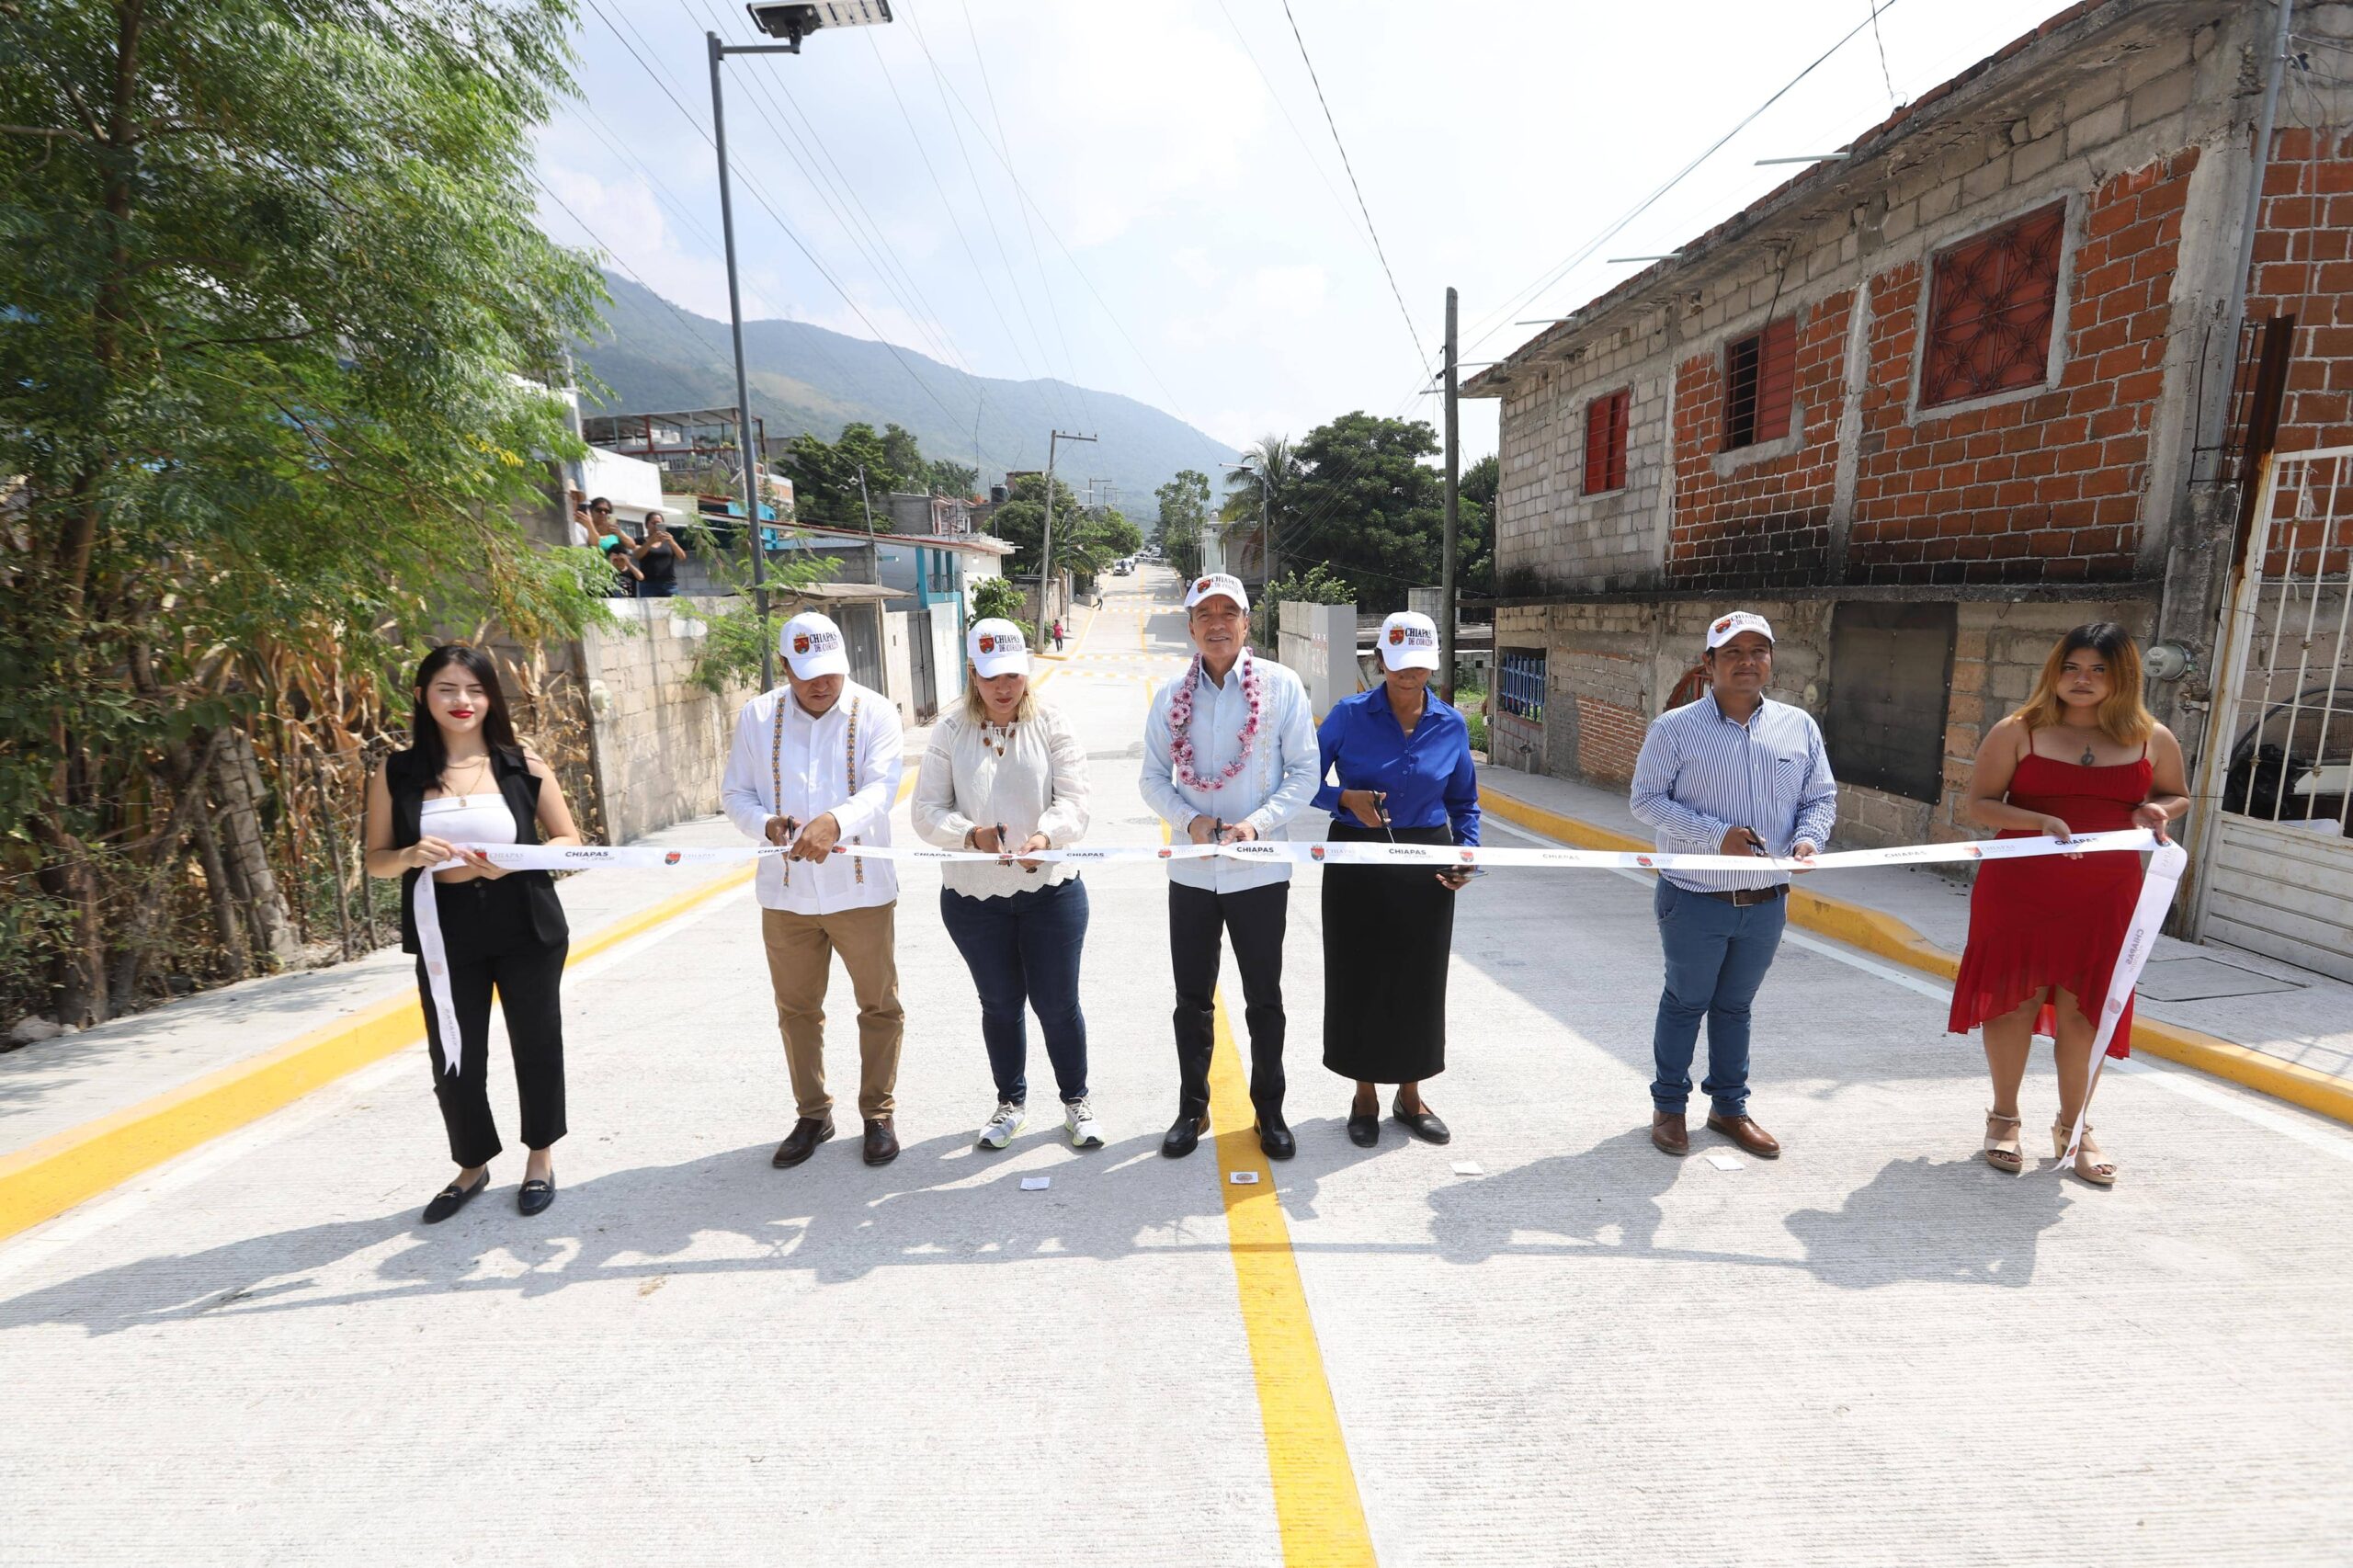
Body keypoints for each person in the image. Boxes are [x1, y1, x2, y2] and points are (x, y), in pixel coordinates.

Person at [1950, 622, 2190, 1185]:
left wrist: (2156, 812)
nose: (2082, 680)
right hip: (2019, 888)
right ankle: (2004, 1116)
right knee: (2014, 1000)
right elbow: (1981, 803)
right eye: (2072, 667)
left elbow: (2176, 794)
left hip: (2107, 894)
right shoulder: (2018, 730)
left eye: (2098, 670)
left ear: (2122, 676)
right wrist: (2037, 822)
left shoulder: (2153, 737)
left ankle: (2074, 1127)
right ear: (2055, 671)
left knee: (2088, 1012)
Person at [363, 645, 580, 1221]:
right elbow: (377, 860)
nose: (462, 701)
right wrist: (410, 853)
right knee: (454, 1052)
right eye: (447, 689)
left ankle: (540, 1158)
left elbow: (570, 841)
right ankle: (472, 1165)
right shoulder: (396, 772)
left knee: (537, 1041)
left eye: (475, 690)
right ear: (421, 696)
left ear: (490, 698)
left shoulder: (522, 764)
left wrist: (517, 858)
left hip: (526, 923)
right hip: (444, 931)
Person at [1628, 611, 1836, 1161]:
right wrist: (1716, 836)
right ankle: (1669, 1107)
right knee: (1686, 1001)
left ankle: (1728, 1108)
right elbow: (1646, 800)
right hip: (1695, 896)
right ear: (1709, 663)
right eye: (1734, 652)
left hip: (1766, 900)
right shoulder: (1673, 728)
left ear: (1770, 659)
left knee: (1736, 1007)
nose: (1748, 661)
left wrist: (1811, 840)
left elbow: (1820, 797)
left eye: (1758, 651)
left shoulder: (1799, 727)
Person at [719, 611, 908, 1168]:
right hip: (786, 894)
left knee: (879, 1005)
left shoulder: (874, 711)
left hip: (861, 891)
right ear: (784, 667)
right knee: (797, 1009)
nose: (822, 684)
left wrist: (835, 821)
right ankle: (813, 1113)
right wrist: (766, 826)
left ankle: (878, 1112)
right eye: (807, 674)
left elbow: (883, 787)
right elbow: (735, 794)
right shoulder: (757, 717)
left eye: (831, 671)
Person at [1142, 573, 1320, 1159]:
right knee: (1191, 998)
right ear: (1190, 627)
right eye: (1205, 614)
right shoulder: (1171, 697)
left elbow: (1303, 775)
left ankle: (1269, 1110)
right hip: (1192, 872)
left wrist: (1257, 824)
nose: (1217, 623)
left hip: (1259, 870)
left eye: (1229, 612)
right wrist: (1191, 822)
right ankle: (1193, 1108)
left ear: (1247, 622)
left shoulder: (1281, 687)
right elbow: (1152, 778)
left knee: (1263, 996)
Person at [914, 619, 1099, 1151]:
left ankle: (1076, 1101)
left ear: (1027, 672)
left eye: (1013, 675)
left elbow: (1076, 800)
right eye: (991, 676)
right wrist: (969, 835)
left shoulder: (1053, 723)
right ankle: (1010, 1103)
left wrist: (1047, 836)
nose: (1003, 687)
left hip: (1051, 890)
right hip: (974, 897)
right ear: (972, 672)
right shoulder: (949, 732)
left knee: (1058, 1003)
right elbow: (926, 811)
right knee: (998, 1003)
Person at [1312, 609, 1480, 1149]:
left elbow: (1465, 803)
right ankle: (1364, 1093)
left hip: (1425, 858)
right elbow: (1299, 782)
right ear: (1380, 661)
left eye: (1421, 668)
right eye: (1400, 666)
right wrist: (1342, 799)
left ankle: (1411, 1094)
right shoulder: (1348, 715)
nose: (1410, 678)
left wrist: (1468, 853)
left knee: (1419, 977)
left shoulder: (1451, 724)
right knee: (1358, 972)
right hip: (1356, 856)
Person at [631, 511, 690, 597]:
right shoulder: (640, 541)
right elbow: (637, 555)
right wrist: (650, 542)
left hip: (669, 584)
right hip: (648, 585)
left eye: (659, 523)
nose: (656, 526)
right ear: (647, 525)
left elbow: (682, 557)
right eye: (653, 523)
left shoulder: (669, 541)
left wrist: (672, 542)